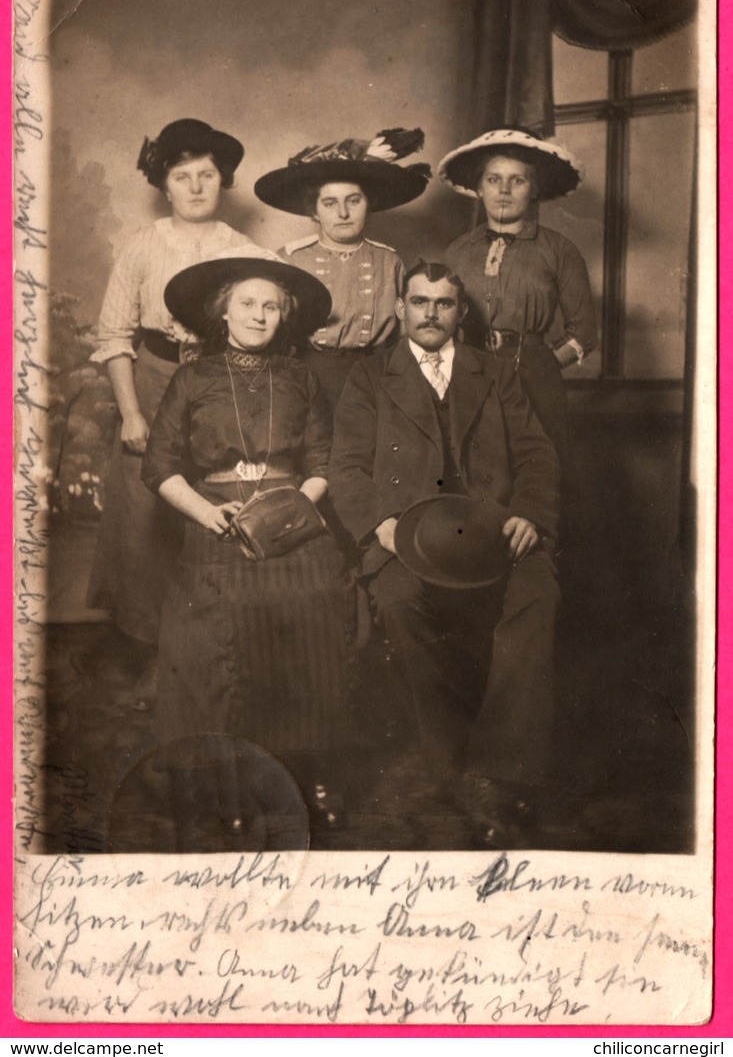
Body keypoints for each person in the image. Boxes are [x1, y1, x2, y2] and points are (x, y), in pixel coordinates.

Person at [328, 261, 560, 848]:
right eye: (419, 301)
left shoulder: (496, 373)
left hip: (491, 531)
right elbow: (347, 468)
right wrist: (376, 525)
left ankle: (500, 769)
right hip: (405, 536)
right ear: (399, 309)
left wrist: (530, 513)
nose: (431, 312)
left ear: (462, 313)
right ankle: (445, 759)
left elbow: (536, 453)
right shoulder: (371, 377)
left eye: (445, 303)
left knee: (537, 594)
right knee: (401, 601)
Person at [141, 256, 352, 843]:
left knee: (315, 606)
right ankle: (229, 783)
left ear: (284, 317)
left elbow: (323, 463)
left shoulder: (302, 377)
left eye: (270, 306)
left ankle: (312, 775)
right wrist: (208, 513)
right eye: (247, 304)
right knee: (215, 632)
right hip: (212, 521)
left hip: (291, 519)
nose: (259, 315)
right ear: (223, 312)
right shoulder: (192, 378)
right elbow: (159, 467)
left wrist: (287, 511)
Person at [87, 119, 273, 707]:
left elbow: (267, 327)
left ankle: (206, 655)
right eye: (182, 176)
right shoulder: (142, 246)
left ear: (223, 182)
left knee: (211, 515)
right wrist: (133, 414)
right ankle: (148, 653)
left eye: (207, 176)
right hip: (152, 379)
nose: (195, 187)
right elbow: (115, 334)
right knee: (145, 520)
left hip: (219, 387)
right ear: (164, 186)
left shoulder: (244, 251)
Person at [439, 126, 596, 478]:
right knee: (475, 476)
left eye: (518, 181)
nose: (504, 190)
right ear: (479, 188)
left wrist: (540, 366)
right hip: (469, 374)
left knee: (538, 475)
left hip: (535, 379)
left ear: (535, 189)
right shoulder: (457, 251)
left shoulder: (559, 250)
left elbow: (584, 333)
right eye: (494, 179)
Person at [254, 127, 431, 410]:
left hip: (373, 378)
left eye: (354, 201)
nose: (343, 213)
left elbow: (402, 336)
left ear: (369, 203)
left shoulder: (389, 261)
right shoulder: (291, 259)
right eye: (330, 203)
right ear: (314, 210)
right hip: (306, 378)